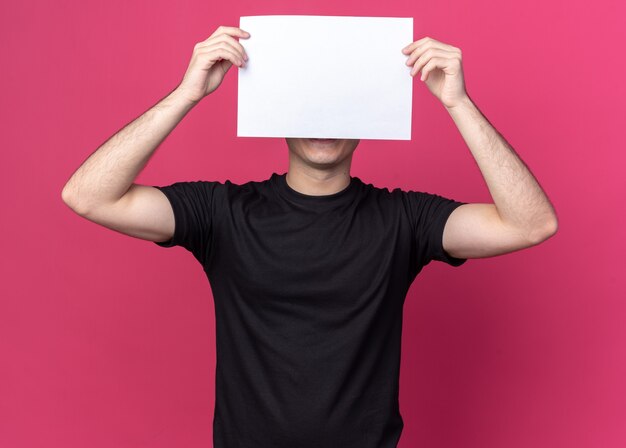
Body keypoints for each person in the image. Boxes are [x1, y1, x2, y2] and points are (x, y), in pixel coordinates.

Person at [61, 25, 558, 448]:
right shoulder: (222, 212)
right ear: (277, 112)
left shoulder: (403, 218)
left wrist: (458, 102)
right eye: (307, 104)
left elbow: (530, 224)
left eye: (339, 106)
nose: (323, 122)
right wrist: (186, 93)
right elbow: (89, 196)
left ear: (367, 120)